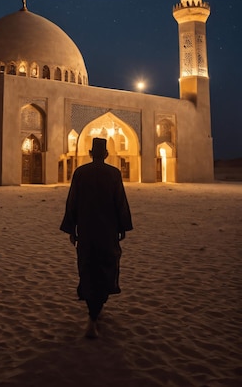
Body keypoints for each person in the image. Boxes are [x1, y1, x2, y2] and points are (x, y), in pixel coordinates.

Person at [60, 137, 133, 338]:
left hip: (87, 231)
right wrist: (123, 227)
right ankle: (95, 313)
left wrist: (71, 229)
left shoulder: (80, 173)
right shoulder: (114, 173)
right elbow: (121, 202)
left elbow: (72, 202)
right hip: (107, 232)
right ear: (107, 154)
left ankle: (92, 317)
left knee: (88, 267)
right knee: (105, 268)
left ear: (91, 154)